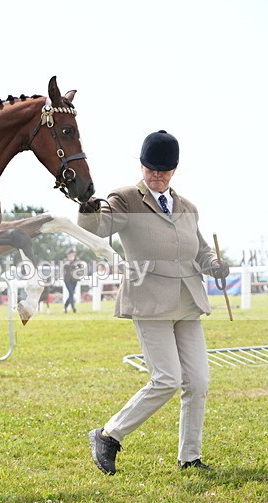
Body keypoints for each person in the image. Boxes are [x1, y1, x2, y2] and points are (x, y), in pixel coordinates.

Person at [77, 130, 229, 474]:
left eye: (163, 169)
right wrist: (87, 208)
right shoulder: (126, 199)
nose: (156, 175)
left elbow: (200, 249)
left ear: (174, 169)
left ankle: (190, 457)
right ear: (142, 165)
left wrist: (214, 265)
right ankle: (108, 435)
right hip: (148, 300)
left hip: (187, 301)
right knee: (166, 379)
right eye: (150, 168)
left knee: (198, 382)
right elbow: (99, 226)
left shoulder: (188, 207)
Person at [62, 248, 81, 313]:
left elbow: (80, 267)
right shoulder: (65, 260)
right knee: (71, 293)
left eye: (73, 253)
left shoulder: (77, 260)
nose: (72, 255)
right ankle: (73, 307)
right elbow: (64, 267)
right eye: (70, 254)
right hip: (67, 280)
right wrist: (68, 262)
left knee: (71, 294)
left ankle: (65, 306)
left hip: (74, 280)